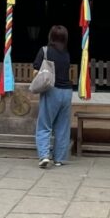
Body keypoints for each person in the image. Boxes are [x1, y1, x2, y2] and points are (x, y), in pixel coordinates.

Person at [33, 25, 74, 169]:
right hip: (67, 92)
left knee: (44, 125)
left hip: (52, 91)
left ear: (51, 36)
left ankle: (44, 156)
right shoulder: (66, 54)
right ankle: (59, 158)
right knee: (62, 126)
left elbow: (36, 71)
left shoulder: (45, 50)